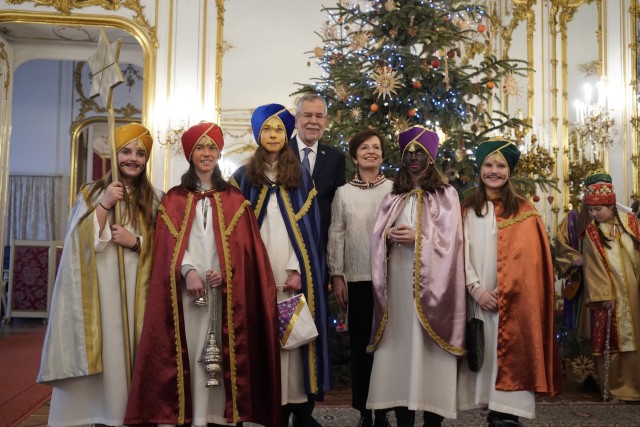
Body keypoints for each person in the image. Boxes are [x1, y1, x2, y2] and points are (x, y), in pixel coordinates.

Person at [124, 122, 281, 427]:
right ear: (190, 154)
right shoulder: (173, 199)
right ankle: (190, 415)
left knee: (220, 351)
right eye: (199, 147)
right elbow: (166, 246)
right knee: (191, 349)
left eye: (211, 147)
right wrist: (187, 271)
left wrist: (227, 272)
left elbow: (247, 251)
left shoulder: (236, 200)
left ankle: (216, 415)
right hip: (185, 292)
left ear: (219, 152)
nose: (206, 153)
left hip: (222, 291)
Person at [37, 123, 163, 426]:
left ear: (147, 160)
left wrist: (136, 243)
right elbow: (77, 242)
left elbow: (169, 248)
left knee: (131, 353)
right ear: (115, 155)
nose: (133, 158)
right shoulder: (92, 191)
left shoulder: (158, 199)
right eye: (126, 152)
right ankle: (99, 413)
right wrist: (105, 204)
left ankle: (129, 413)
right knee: (106, 350)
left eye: (140, 153)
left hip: (139, 294)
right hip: (101, 294)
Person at [232, 104, 332, 427]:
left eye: (278, 130)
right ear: (258, 135)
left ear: (286, 134)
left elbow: (311, 230)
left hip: (289, 274)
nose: (273, 135)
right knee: (262, 334)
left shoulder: (300, 177)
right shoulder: (243, 178)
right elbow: (235, 231)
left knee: (291, 338)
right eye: (267, 130)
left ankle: (296, 406)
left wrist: (297, 270)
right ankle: (266, 403)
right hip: (256, 272)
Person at [457, 138, 562, 427]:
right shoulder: (467, 209)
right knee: (486, 356)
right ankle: (493, 411)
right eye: (488, 165)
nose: (494, 171)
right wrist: (475, 288)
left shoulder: (525, 211)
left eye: (501, 165)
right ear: (479, 169)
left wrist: (509, 293)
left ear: (510, 171)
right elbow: (459, 251)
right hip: (479, 297)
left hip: (514, 304)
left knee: (513, 354)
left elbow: (532, 263)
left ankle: (508, 414)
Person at [366, 126, 466, 427]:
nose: (413, 158)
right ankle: (403, 418)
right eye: (408, 153)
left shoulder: (447, 195)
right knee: (400, 353)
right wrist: (388, 236)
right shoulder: (393, 195)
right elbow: (375, 237)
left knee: (429, 355)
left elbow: (453, 242)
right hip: (397, 288)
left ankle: (433, 420)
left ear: (431, 159)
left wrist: (418, 238)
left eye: (419, 153)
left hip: (432, 289)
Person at [327, 128, 393, 427]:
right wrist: (337, 275)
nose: (371, 151)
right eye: (364, 147)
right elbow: (336, 234)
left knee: (387, 346)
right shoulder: (344, 193)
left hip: (390, 280)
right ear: (354, 156)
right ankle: (365, 410)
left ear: (382, 154)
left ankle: (385, 409)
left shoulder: (394, 190)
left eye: (376, 147)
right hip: (356, 278)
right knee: (361, 345)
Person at [582, 180, 640, 402]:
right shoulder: (592, 232)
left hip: (634, 292)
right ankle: (617, 389)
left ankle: (635, 387)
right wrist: (604, 294)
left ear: (611, 205)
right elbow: (593, 265)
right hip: (611, 297)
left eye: (599, 209)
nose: (594, 213)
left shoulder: (631, 224)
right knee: (615, 341)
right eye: (590, 210)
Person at [290, 93, 346, 246]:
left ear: (326, 122)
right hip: (285, 242)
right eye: (307, 115)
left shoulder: (336, 159)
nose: (313, 121)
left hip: (320, 245)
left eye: (319, 116)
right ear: (296, 120)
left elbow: (337, 209)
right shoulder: (281, 153)